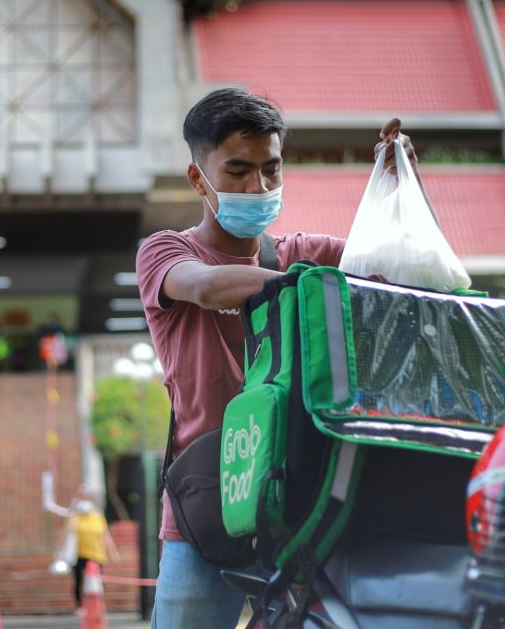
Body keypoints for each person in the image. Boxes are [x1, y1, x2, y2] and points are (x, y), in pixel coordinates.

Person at [135, 88, 420, 628]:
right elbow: (207, 287)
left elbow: (399, 267)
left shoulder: (304, 252)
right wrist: (307, 285)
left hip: (306, 505)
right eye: (238, 171)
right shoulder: (166, 252)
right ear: (199, 179)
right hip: (210, 511)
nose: (258, 187)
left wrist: (398, 181)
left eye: (271, 170)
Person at [64, 486, 119, 611]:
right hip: (79, 553)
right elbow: (67, 534)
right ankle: (79, 605)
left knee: (98, 580)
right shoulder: (74, 517)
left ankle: (99, 605)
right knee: (79, 579)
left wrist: (113, 553)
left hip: (96, 554)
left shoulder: (98, 518)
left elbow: (106, 536)